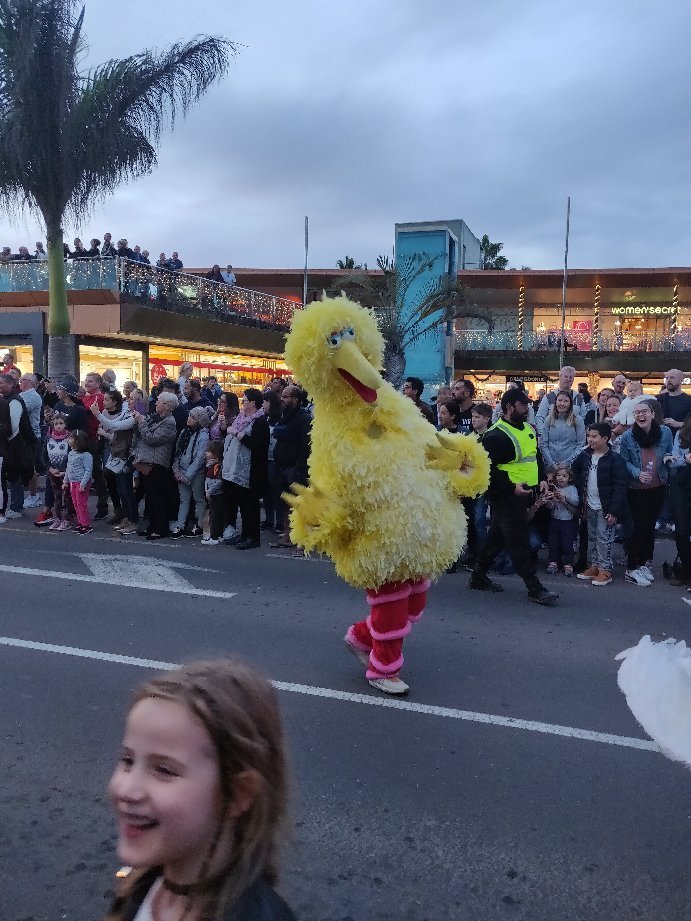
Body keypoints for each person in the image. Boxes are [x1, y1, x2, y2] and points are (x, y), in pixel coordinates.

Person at [106, 660, 296, 921]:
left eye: (164, 770)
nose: (127, 789)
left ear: (238, 794)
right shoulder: (141, 887)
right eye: (127, 761)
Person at [469, 388, 558, 606]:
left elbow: (533, 455)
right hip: (506, 494)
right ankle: (534, 587)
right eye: (523, 404)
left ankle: (478, 577)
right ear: (509, 407)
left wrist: (542, 479)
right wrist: (511, 487)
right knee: (518, 539)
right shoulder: (495, 435)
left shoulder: (527, 428)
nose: (528, 407)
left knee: (497, 535)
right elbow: (485, 468)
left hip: (523, 492)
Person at [619, 402, 674, 586]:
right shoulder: (628, 436)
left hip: (658, 485)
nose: (640, 416)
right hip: (636, 487)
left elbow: (669, 451)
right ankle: (631, 568)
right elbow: (624, 462)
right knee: (638, 527)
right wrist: (637, 473)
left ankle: (643, 563)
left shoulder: (665, 432)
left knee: (650, 526)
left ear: (652, 413)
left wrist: (668, 458)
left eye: (644, 412)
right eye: (636, 413)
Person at [573, 422, 630, 587]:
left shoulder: (615, 459)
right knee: (593, 536)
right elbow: (575, 470)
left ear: (605, 438)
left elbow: (620, 486)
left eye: (594, 436)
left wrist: (614, 510)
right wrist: (579, 487)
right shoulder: (585, 455)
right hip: (589, 505)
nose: (590, 439)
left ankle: (606, 569)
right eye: (589, 436)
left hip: (605, 507)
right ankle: (595, 565)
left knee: (604, 538)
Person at [221, 388, 269, 550]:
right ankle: (244, 534)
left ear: (253, 403)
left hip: (250, 470)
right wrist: (225, 429)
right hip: (236, 468)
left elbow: (258, 445)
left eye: (245, 401)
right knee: (243, 503)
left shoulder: (260, 421)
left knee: (251, 505)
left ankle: (253, 538)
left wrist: (238, 435)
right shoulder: (241, 418)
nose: (243, 403)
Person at [131, 391, 178, 540]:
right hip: (147, 462)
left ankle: (160, 528)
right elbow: (142, 433)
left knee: (158, 498)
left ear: (167, 406)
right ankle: (152, 526)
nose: (156, 403)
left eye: (159, 401)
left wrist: (142, 422)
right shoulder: (156, 418)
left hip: (157, 464)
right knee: (150, 497)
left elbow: (151, 438)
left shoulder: (169, 422)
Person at [90, 390, 137, 535]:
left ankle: (133, 521)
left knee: (127, 490)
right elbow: (112, 424)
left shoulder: (135, 416)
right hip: (119, 453)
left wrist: (97, 414)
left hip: (127, 454)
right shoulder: (126, 413)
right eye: (128, 399)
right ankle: (127, 518)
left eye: (132, 399)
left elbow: (115, 426)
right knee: (122, 489)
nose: (128, 401)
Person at [270, 385, 311, 548]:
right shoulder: (283, 416)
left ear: (295, 399)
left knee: (298, 505)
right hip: (280, 466)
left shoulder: (303, 418)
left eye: (286, 396)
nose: (282, 399)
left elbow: (305, 445)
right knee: (285, 504)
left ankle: (302, 541)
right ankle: (288, 535)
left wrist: (299, 468)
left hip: (294, 468)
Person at [171, 406, 212, 539]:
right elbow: (177, 452)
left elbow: (200, 458)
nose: (189, 419)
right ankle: (180, 525)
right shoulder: (184, 432)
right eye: (189, 416)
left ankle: (199, 525)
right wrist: (176, 470)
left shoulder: (203, 435)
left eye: (193, 417)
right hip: (182, 470)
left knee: (199, 499)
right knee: (184, 499)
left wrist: (188, 475)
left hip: (196, 473)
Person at [0, 372, 36, 518]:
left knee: (15, 475)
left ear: (10, 384)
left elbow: (14, 427)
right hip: (12, 444)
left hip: (17, 445)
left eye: (2, 383)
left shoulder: (14, 401)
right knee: (12, 475)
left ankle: (16, 507)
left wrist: (7, 442)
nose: (0, 386)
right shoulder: (7, 399)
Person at [666, 417, 691, 587]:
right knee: (681, 531)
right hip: (683, 484)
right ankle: (686, 571)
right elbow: (674, 462)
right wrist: (687, 459)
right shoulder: (682, 434)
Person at [544, 464, 579, 577]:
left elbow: (576, 502)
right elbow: (551, 507)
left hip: (568, 521)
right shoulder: (554, 488)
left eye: (564, 476)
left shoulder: (572, 489)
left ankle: (568, 563)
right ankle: (553, 562)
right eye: (558, 475)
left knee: (567, 543)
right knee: (553, 542)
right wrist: (550, 501)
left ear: (570, 478)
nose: (560, 478)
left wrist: (565, 496)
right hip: (555, 520)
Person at [539, 389, 586, 474]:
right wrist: (550, 463)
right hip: (551, 466)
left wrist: (567, 462)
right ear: (555, 402)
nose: (562, 404)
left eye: (566, 401)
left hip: (570, 468)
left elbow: (581, 444)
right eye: (560, 400)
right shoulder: (548, 419)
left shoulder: (577, 420)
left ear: (570, 404)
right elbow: (544, 444)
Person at [43, 412, 74, 530]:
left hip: (65, 473)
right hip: (53, 472)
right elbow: (44, 456)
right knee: (56, 496)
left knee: (67, 496)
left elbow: (72, 457)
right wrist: (50, 468)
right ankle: (58, 518)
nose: (58, 426)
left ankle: (68, 519)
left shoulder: (69, 439)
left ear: (65, 425)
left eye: (61, 423)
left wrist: (65, 471)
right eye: (56, 424)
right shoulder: (48, 439)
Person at [535, 366, 588, 433]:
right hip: (552, 439)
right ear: (560, 377)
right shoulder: (548, 397)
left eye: (570, 377)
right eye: (566, 376)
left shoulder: (578, 398)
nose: (568, 379)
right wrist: (543, 434)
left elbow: (583, 418)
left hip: (572, 439)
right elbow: (540, 417)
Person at [19, 372, 44, 508]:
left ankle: (34, 496)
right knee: (25, 466)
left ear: (29, 382)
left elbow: (21, 410)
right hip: (22, 435)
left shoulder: (33, 396)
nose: (20, 382)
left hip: (32, 436)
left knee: (32, 466)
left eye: (23, 380)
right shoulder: (22, 395)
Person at [63, 429, 93, 534]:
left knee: (81, 503)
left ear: (77, 441)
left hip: (81, 482)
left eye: (71, 438)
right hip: (73, 482)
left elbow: (88, 470)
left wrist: (83, 484)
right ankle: (80, 522)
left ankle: (86, 524)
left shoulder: (86, 455)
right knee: (75, 503)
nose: (68, 440)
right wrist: (65, 481)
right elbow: (68, 468)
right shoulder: (71, 453)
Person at [262, 389, 283, 532]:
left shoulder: (281, 418)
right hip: (265, 458)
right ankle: (269, 519)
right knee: (267, 491)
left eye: (264, 402)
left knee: (277, 492)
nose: (263, 405)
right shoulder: (264, 419)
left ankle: (280, 522)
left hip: (276, 460)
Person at [201, 440, 225, 546]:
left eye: (209, 452)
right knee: (216, 514)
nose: (206, 453)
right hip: (212, 493)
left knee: (215, 516)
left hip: (216, 494)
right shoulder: (211, 465)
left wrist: (209, 490)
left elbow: (219, 481)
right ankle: (218, 535)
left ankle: (214, 536)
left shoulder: (217, 466)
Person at [658, 368, 691, 433]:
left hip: (682, 439)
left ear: (681, 380)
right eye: (666, 378)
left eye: (672, 378)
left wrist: (678, 424)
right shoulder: (658, 399)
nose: (669, 380)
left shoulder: (689, 400)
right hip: (662, 439)